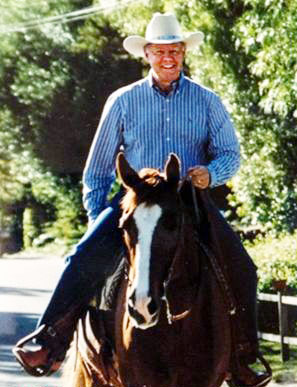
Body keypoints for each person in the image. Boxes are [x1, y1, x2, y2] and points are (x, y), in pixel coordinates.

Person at [13, 12, 271, 387]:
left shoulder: (207, 101)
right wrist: (98, 218)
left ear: (184, 53)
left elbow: (230, 153)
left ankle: (245, 355)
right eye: (160, 51)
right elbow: (98, 170)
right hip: (135, 203)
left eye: (175, 51)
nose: (169, 58)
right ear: (147, 54)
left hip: (189, 202)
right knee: (82, 257)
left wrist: (210, 174)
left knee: (242, 265)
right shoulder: (122, 101)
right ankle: (51, 338)